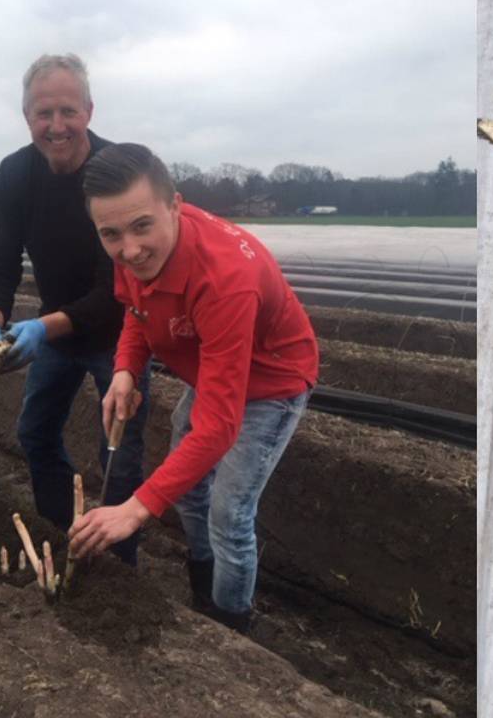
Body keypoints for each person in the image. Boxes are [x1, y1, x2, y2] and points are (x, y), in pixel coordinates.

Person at [68, 143, 319, 633]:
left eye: (142, 226)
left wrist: (137, 508)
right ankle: (203, 586)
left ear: (176, 206)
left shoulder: (226, 280)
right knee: (189, 492)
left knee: (229, 513)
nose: (129, 249)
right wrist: (124, 370)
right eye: (111, 234)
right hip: (212, 370)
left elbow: (221, 426)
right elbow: (138, 314)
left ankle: (231, 628)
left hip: (271, 382)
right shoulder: (132, 246)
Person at [0, 54, 149, 564]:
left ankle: (120, 564)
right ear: (27, 116)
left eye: (67, 112)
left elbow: (111, 291)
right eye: (43, 114)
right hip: (54, 330)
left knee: (118, 451)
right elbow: (2, 260)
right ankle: (63, 533)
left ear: (89, 112)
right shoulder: (14, 175)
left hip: (121, 335)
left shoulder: (114, 173)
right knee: (35, 431)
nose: (56, 126)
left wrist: (40, 328)